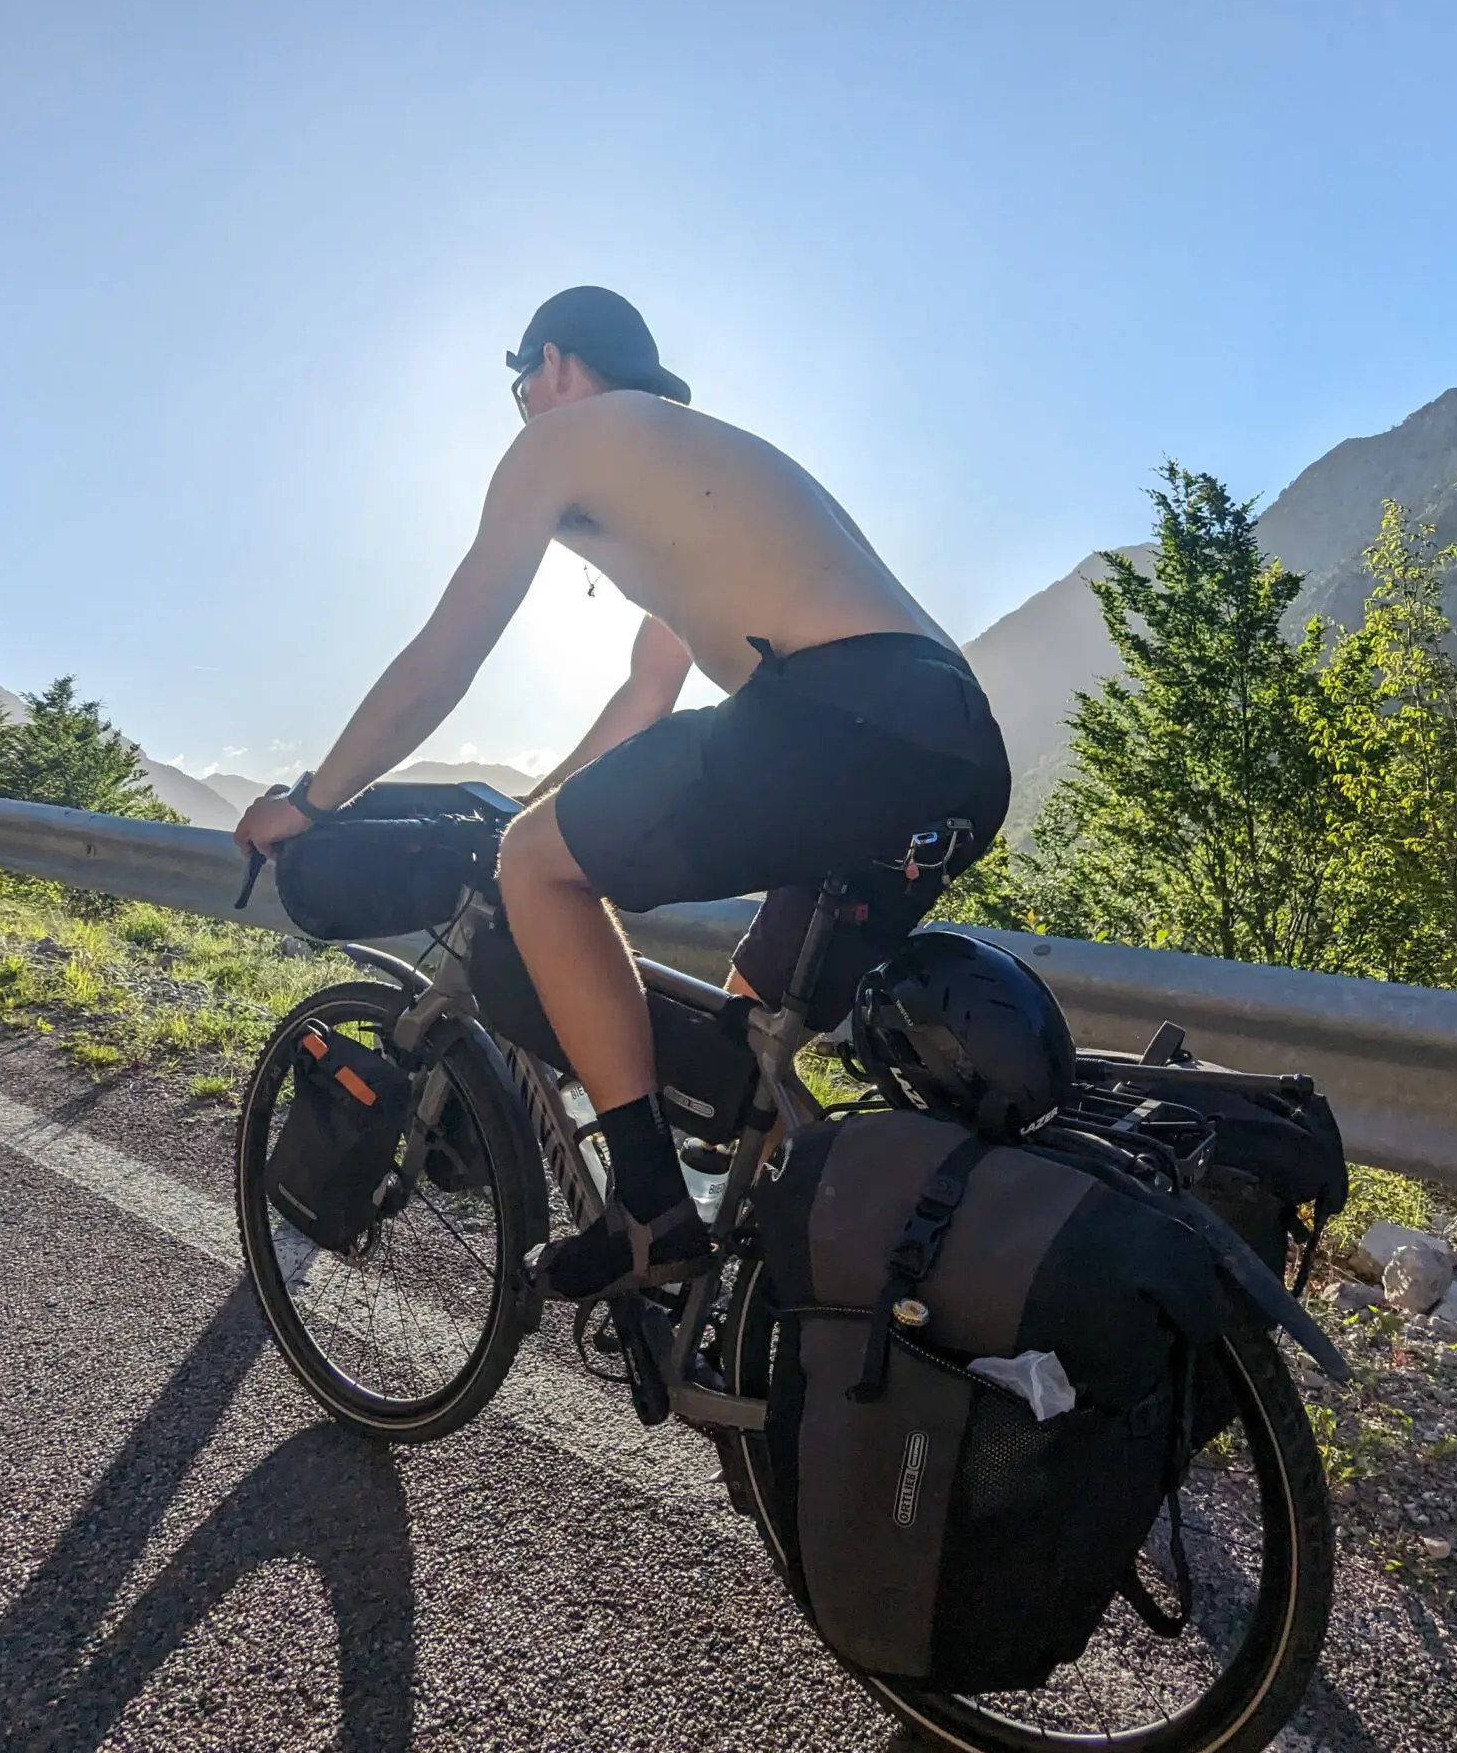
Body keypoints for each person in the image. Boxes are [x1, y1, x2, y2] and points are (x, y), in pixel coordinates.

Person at [235, 287, 1008, 1301]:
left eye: (519, 385)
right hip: (952, 751)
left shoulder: (564, 440)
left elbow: (443, 662)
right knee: (747, 1044)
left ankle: (645, 1213)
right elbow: (648, 694)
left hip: (837, 719)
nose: (518, 408)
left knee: (540, 868)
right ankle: (780, 1312)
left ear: (555, 366)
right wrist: (538, 823)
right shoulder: (707, 470)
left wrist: (314, 799)